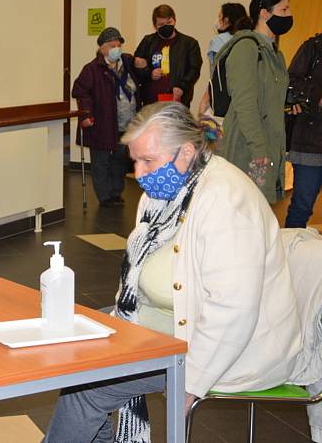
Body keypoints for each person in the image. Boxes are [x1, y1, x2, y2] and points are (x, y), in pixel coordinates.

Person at [44, 102, 304, 443]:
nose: (138, 173)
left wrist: (190, 384)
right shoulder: (165, 189)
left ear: (186, 152)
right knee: (73, 350)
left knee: (85, 389)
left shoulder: (226, 201)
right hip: (165, 325)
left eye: (147, 161)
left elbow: (233, 311)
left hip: (225, 346)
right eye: (135, 161)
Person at [217, 0, 292, 204]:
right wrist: (259, 149)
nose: (288, 16)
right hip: (248, 146)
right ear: (265, 14)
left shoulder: (275, 54)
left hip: (269, 145)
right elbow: (245, 103)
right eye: (284, 9)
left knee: (261, 211)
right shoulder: (247, 48)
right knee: (244, 209)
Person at [73, 27, 141, 207]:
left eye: (119, 45)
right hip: (102, 122)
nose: (116, 48)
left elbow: (142, 77)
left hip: (126, 123)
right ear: (102, 48)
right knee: (101, 161)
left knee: (120, 160)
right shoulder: (92, 69)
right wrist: (86, 114)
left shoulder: (126, 63)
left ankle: (116, 193)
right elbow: (81, 92)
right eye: (112, 45)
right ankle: (104, 197)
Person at [285, 33, 322, 228]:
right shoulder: (314, 47)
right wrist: (317, 96)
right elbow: (290, 79)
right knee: (302, 207)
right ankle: (290, 254)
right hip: (310, 141)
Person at [133, 4, 202, 107]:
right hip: (150, 103)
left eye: (169, 22)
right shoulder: (148, 41)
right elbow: (136, 66)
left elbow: (194, 69)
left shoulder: (189, 43)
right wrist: (149, 73)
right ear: (155, 26)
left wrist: (181, 87)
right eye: (161, 24)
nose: (166, 26)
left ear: (174, 20)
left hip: (177, 102)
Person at [197, 2, 248, 115]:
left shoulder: (219, 41)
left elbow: (216, 75)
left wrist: (205, 100)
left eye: (220, 16)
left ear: (226, 20)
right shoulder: (249, 39)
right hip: (245, 97)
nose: (217, 20)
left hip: (223, 100)